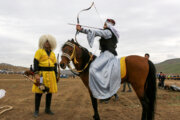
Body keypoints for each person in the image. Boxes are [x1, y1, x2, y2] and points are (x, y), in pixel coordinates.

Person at [76, 19, 120, 100]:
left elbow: (96, 32)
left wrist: (81, 29)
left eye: (105, 24)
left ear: (108, 25)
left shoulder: (108, 32)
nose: (103, 25)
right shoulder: (108, 32)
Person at [32, 34, 58, 117]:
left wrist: (56, 75)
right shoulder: (39, 51)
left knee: (49, 92)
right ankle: (36, 111)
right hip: (42, 75)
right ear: (42, 42)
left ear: (52, 43)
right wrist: (36, 74)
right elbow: (35, 62)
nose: (47, 43)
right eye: (46, 41)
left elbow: (55, 65)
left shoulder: (53, 54)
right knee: (39, 91)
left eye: (49, 41)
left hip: (51, 75)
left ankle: (47, 109)